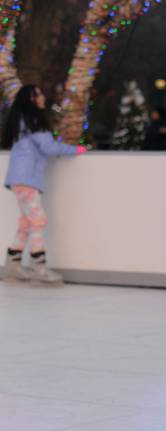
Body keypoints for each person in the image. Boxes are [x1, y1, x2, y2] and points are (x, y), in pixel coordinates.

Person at [1, 85, 86, 285]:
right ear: (31, 99)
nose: (43, 97)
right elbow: (49, 147)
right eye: (38, 94)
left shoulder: (23, 121)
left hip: (20, 179)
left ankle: (13, 266)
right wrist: (78, 149)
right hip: (26, 179)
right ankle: (39, 268)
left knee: (27, 222)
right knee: (38, 221)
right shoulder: (33, 122)